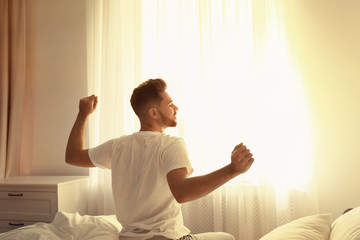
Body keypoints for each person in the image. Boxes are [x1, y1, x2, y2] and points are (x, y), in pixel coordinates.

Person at [65, 79, 254, 240]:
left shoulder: (117, 146)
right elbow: (182, 192)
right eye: (170, 104)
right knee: (227, 237)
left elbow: (73, 156)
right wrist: (232, 170)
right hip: (167, 238)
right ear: (154, 113)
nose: (176, 108)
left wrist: (83, 114)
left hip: (128, 238)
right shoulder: (171, 144)